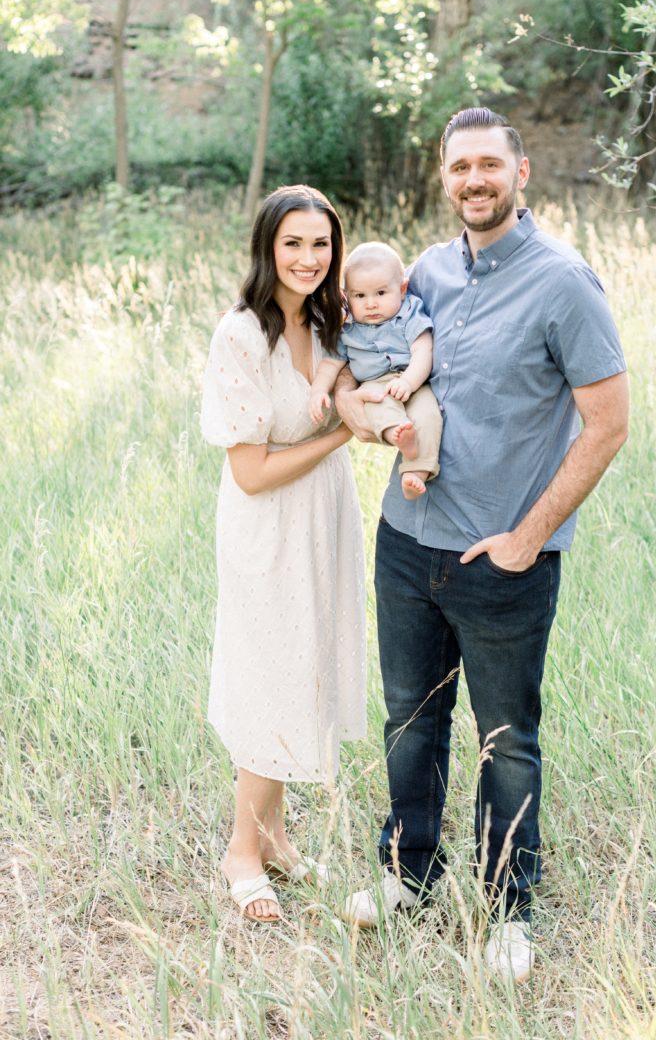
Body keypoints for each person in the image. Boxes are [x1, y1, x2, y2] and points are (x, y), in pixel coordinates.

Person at [336, 108, 629, 982]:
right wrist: (366, 418)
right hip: (405, 541)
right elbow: (374, 374)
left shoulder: (564, 283)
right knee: (409, 719)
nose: (474, 180)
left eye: (489, 166)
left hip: (504, 562)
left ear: (522, 172)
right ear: (445, 177)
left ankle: (509, 911)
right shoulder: (422, 272)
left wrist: (528, 537)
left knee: (507, 738)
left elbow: (608, 425)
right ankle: (409, 872)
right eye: (460, 166)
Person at [200, 184, 366, 924]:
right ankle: (242, 847)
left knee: (306, 668)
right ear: (268, 248)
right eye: (293, 243)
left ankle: (274, 835)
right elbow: (252, 470)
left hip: (325, 518)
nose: (308, 257)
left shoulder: (333, 322)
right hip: (266, 526)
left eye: (321, 244)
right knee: (269, 673)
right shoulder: (242, 336)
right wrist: (340, 436)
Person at [309, 241, 443, 499]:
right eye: (360, 296)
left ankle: (415, 472)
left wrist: (408, 382)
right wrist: (318, 391)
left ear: (402, 288)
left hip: (413, 381)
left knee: (429, 415)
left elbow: (423, 350)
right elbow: (331, 363)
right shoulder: (348, 327)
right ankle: (397, 433)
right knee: (377, 404)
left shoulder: (409, 312)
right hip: (374, 384)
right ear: (346, 296)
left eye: (381, 294)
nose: (370, 304)